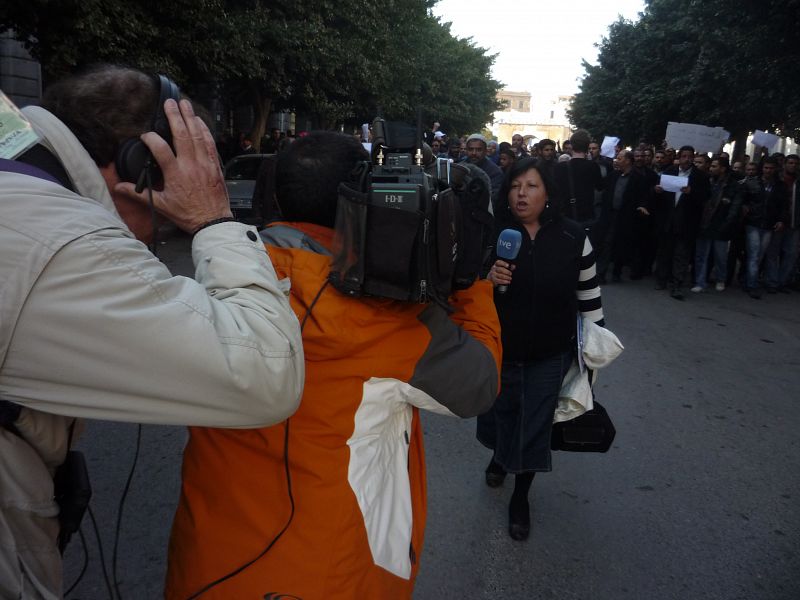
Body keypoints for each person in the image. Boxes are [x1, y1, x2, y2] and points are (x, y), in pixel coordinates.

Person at [0, 65, 304, 598]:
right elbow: (264, 374)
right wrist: (212, 219)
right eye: (163, 220)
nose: (154, 238)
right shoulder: (58, 242)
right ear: (139, 166)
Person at [166, 131, 502, 598]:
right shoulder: (389, 316)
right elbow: (479, 384)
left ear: (273, 193)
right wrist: (470, 282)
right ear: (364, 197)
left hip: (207, 568)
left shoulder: (214, 278)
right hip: (330, 576)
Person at [478, 157, 603, 542]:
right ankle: (500, 457)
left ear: (548, 192)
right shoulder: (492, 233)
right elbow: (462, 288)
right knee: (502, 415)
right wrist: (486, 278)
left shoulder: (573, 236)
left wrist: (592, 360)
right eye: (516, 186)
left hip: (550, 353)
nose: (521, 194)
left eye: (531, 186)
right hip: (499, 349)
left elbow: (590, 299)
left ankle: (521, 496)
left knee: (534, 426)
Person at [691, 157, 743, 292]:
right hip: (704, 223)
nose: (711, 168)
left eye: (714, 166)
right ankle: (700, 281)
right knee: (701, 255)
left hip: (720, 224)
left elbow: (734, 207)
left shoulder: (733, 185)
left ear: (723, 168)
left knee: (720, 255)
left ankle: (721, 278)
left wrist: (727, 223)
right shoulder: (707, 181)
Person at [465, 133, 505, 204]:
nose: (474, 153)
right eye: (471, 149)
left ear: (485, 151)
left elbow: (493, 199)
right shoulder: (460, 167)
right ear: (466, 150)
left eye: (479, 150)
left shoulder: (495, 172)